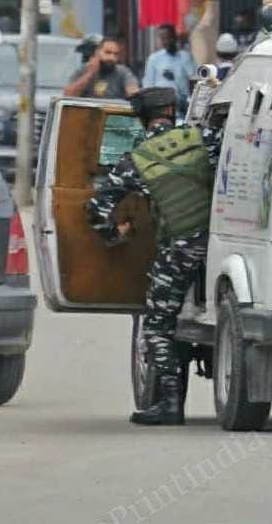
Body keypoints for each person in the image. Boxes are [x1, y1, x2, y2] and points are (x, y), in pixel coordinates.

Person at [86, 87, 224, 426]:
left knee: (159, 325)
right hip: (224, 244)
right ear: (174, 110)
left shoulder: (137, 159)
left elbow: (96, 210)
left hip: (179, 249)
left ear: (143, 118)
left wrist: (115, 236)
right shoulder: (204, 137)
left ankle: (170, 405)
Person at [142, 24, 196, 114]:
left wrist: (175, 77)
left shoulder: (186, 57)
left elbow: (193, 80)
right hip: (160, 104)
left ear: (175, 38)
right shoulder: (154, 58)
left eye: (168, 38)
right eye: (163, 38)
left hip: (182, 105)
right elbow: (148, 85)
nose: (166, 41)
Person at [64, 36, 140, 99]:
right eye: (108, 52)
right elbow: (68, 95)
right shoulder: (84, 69)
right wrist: (89, 74)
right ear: (97, 52)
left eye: (116, 54)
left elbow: (133, 91)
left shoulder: (122, 72)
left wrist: (133, 94)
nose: (112, 58)